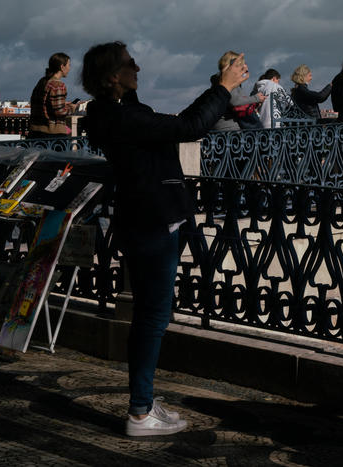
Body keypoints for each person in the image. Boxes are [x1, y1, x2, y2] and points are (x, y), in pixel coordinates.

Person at [80, 41, 249, 436]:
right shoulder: (121, 118)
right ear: (111, 77)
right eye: (128, 63)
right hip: (153, 220)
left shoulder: (117, 112)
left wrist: (129, 87)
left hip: (147, 218)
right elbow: (188, 127)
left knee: (149, 315)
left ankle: (143, 402)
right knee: (152, 317)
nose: (137, 65)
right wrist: (221, 88)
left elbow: (163, 121)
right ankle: (139, 412)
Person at [27, 52, 79, 138]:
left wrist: (63, 104)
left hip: (35, 132)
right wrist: (72, 108)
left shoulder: (42, 82)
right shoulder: (58, 85)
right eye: (69, 65)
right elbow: (60, 112)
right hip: (52, 134)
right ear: (62, 67)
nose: (69, 68)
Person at [211, 51, 265, 131]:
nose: (243, 67)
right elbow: (235, 101)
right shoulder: (227, 81)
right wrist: (256, 98)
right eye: (240, 64)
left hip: (225, 128)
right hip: (229, 130)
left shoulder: (221, 80)